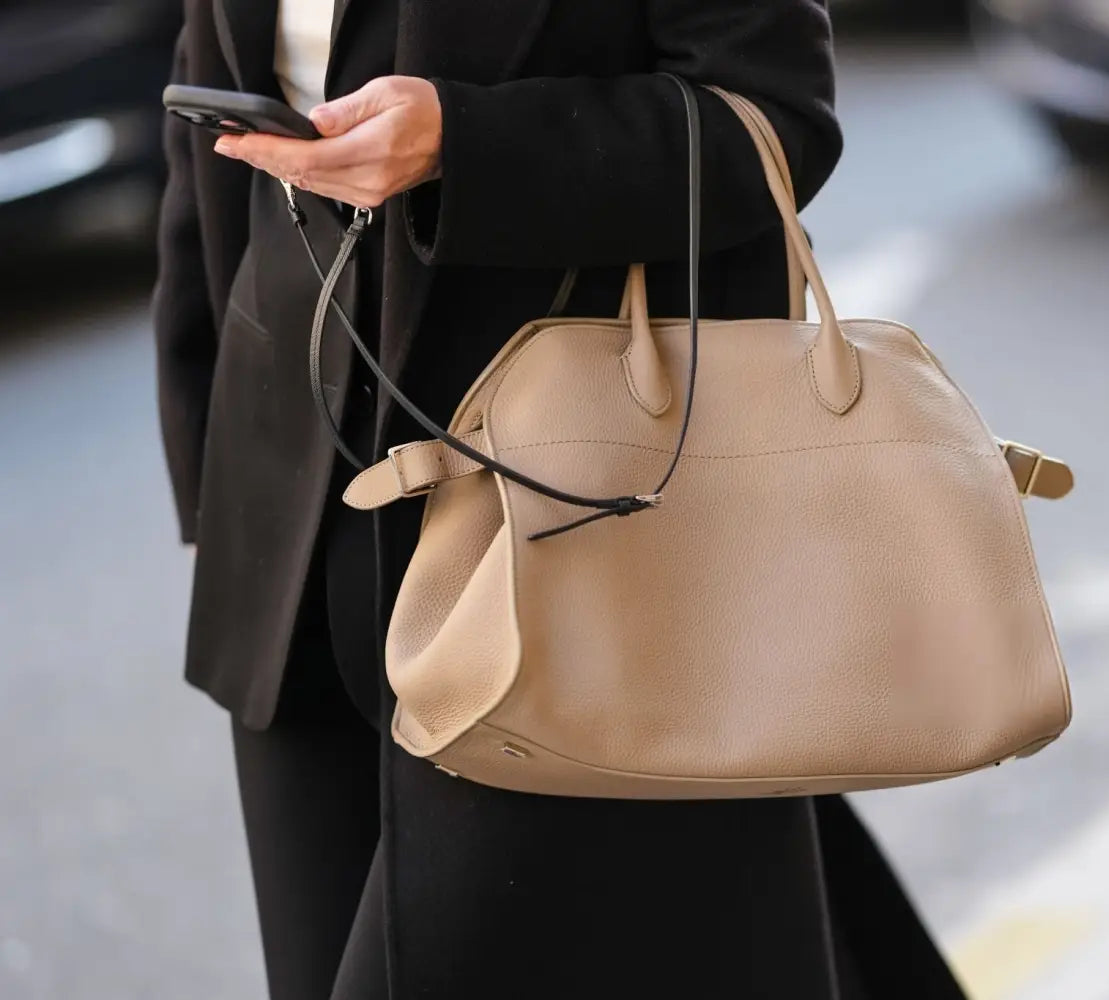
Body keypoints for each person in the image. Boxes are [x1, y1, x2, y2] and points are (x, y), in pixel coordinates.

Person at [153, 1, 969, 997]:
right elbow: (203, 139)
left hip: (575, 530)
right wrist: (209, 465)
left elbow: (776, 123)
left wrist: (469, 143)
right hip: (292, 524)